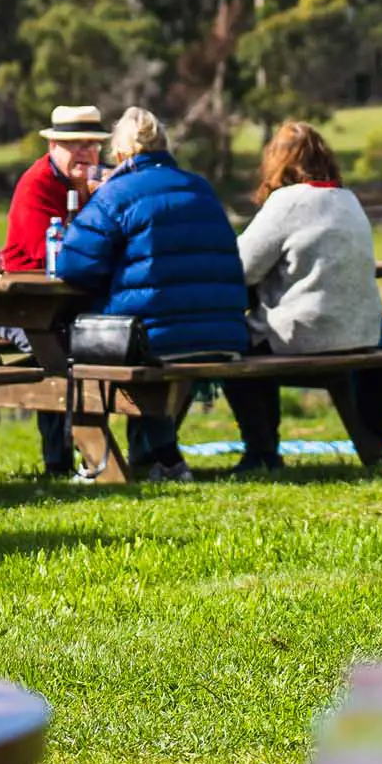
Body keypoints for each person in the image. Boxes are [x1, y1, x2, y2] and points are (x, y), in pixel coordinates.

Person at [55, 108, 247, 484]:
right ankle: (158, 457)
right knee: (142, 346)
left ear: (121, 153)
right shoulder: (200, 187)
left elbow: (72, 267)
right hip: (223, 334)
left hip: (158, 340)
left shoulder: (115, 196)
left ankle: (145, 458)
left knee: (89, 346)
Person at [224, 120, 382, 475]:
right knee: (256, 340)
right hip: (360, 332)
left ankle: (262, 450)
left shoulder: (287, 202)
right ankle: (367, 447)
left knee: (234, 348)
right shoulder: (348, 199)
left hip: (307, 333)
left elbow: (240, 268)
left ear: (278, 161)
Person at [2, 105, 108, 476]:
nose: (84, 152)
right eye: (72, 144)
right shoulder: (38, 184)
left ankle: (71, 460)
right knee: (56, 353)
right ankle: (63, 461)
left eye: (90, 145)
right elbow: (43, 257)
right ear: (53, 147)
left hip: (69, 305)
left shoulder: (91, 186)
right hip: (17, 306)